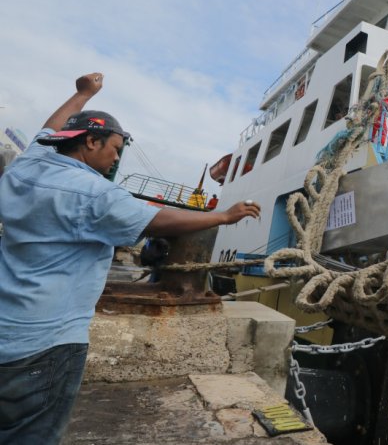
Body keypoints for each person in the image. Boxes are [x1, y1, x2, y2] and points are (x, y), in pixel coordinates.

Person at [0, 72, 261, 444]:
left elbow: (49, 130)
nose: (117, 156)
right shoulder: (95, 194)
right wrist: (223, 216)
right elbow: (157, 219)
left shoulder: (26, 167)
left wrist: (82, 95)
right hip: (47, 345)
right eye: (115, 148)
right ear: (90, 142)